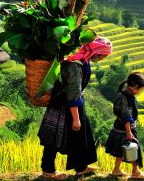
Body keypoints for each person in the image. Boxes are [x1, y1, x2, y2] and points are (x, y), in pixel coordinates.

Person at [38, 36, 112, 180]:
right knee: (54, 137)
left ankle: (81, 167)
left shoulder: (83, 59)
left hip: (75, 102)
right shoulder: (74, 65)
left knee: (80, 136)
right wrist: (76, 118)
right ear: (97, 51)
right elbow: (72, 92)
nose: (103, 58)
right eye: (103, 55)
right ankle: (48, 170)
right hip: (64, 104)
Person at [105, 72, 144, 179]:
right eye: (140, 89)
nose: (140, 92)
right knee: (133, 148)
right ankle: (135, 171)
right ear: (134, 87)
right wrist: (129, 131)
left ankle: (116, 170)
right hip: (126, 129)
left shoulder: (124, 95)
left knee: (121, 150)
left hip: (119, 128)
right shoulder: (125, 97)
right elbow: (126, 116)